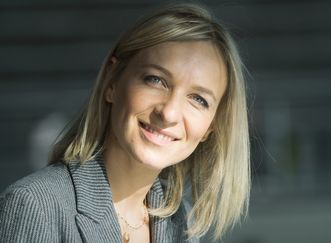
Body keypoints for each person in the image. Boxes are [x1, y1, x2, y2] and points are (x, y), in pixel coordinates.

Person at [0, 3, 250, 243]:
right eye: (156, 80)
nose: (169, 113)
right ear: (112, 81)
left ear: (211, 127)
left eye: (198, 99)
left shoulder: (181, 224)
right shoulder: (34, 205)